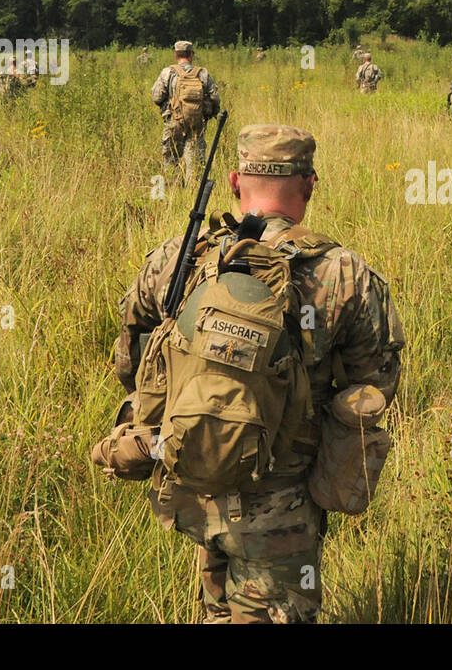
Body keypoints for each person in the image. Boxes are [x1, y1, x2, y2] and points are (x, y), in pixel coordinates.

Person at [109, 123, 405, 623]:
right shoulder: (344, 274)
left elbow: (131, 360)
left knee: (217, 611)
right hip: (281, 509)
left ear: (233, 181)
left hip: (190, 482)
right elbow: (376, 384)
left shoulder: (178, 257)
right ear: (309, 184)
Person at [151, 40, 221, 179]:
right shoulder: (203, 73)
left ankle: (174, 191)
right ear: (191, 55)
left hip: (174, 122)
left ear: (176, 55)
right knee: (195, 163)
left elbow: (157, 97)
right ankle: (194, 192)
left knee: (171, 159)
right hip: (197, 123)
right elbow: (215, 98)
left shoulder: (168, 72)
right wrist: (209, 113)